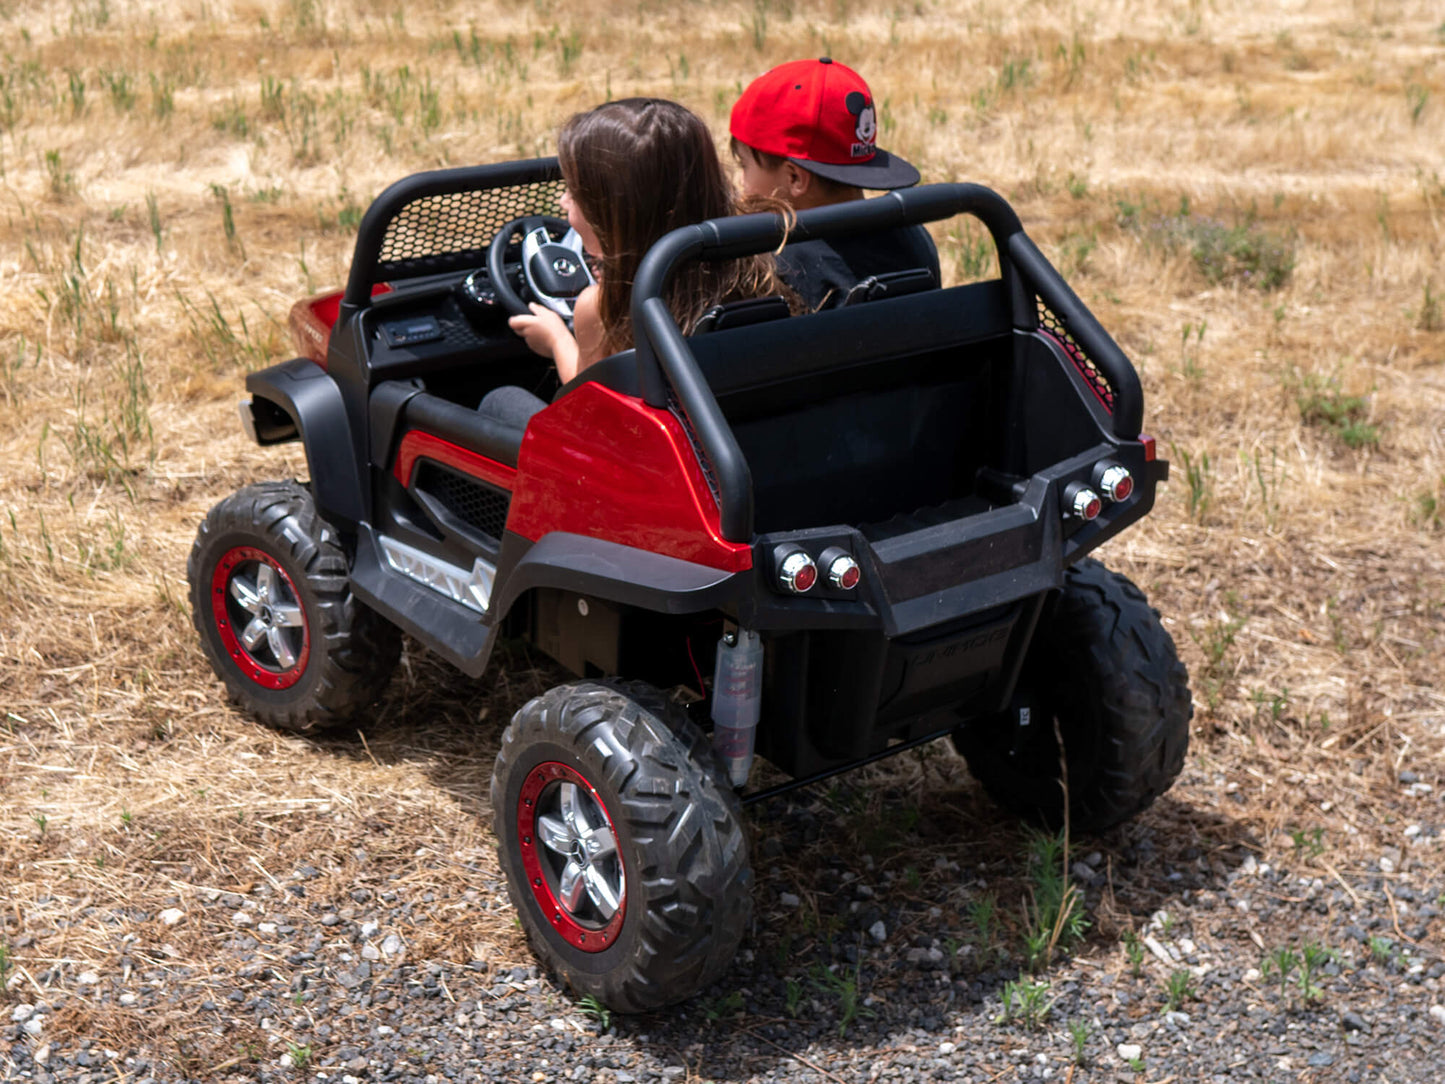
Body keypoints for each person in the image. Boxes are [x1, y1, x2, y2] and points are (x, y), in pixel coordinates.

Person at [506, 97, 791, 385]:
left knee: (500, 399)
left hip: (629, 429)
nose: (562, 200)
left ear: (613, 217)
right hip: (729, 426)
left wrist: (555, 339)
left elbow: (585, 396)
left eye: (575, 194)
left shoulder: (602, 307)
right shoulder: (755, 270)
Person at [729, 57, 941, 310]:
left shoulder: (778, 267)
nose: (740, 181)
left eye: (744, 166)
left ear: (794, 177)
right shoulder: (912, 238)